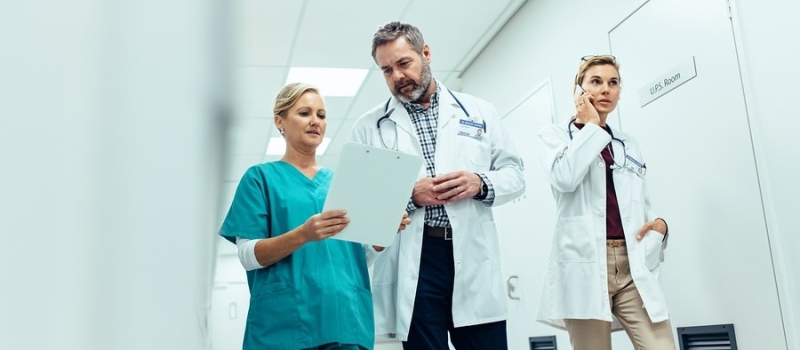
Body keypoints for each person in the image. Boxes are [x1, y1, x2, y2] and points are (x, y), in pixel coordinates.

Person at [349, 21, 525, 350]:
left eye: (404, 63)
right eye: (386, 70)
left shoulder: (479, 111)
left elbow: (515, 174)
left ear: (425, 53)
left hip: (472, 253)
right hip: (414, 260)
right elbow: (361, 212)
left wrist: (479, 182)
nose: (397, 76)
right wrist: (410, 195)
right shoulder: (368, 128)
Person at [219, 82, 411, 350]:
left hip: (345, 320)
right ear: (280, 120)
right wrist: (303, 235)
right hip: (284, 325)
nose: (315, 122)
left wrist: (381, 237)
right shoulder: (260, 178)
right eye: (304, 113)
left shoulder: (343, 180)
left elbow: (354, 258)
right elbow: (248, 255)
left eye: (321, 115)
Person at [535, 55, 677, 350]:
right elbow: (565, 177)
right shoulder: (555, 136)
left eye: (613, 83)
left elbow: (640, 201)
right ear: (579, 90)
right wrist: (591, 129)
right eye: (596, 82)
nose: (605, 90)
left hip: (631, 263)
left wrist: (660, 226)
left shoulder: (628, 143)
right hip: (585, 262)